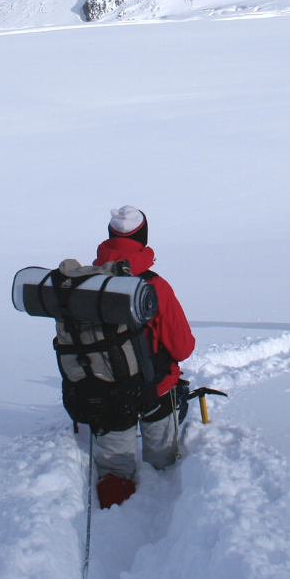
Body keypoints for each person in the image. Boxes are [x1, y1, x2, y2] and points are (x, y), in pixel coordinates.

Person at [55, 206, 195, 509]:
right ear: (142, 237)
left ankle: (116, 515)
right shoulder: (155, 286)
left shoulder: (84, 284)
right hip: (155, 394)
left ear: (110, 237)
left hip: (106, 396)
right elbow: (183, 348)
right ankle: (168, 509)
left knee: (114, 472)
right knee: (164, 462)